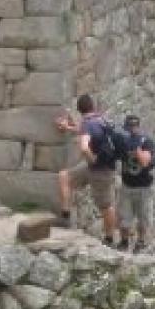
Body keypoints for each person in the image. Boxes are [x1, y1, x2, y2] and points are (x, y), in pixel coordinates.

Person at [54, 94, 121, 246]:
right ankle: (65, 216)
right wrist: (69, 128)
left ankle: (110, 238)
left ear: (79, 110)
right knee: (65, 176)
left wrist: (92, 159)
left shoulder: (87, 124)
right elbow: (86, 132)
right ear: (93, 107)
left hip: (100, 170)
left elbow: (84, 147)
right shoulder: (101, 119)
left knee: (105, 205)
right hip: (99, 167)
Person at [116, 115, 155, 253]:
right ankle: (124, 242)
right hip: (127, 186)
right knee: (124, 218)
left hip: (143, 187)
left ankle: (141, 242)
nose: (130, 133)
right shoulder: (123, 142)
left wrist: (137, 149)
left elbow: (147, 162)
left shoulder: (147, 142)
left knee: (142, 218)